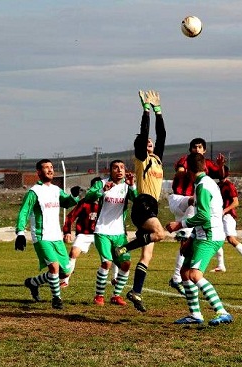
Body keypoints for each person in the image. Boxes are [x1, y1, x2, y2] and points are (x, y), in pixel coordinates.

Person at [166, 153, 233, 326]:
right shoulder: (206, 183)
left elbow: (203, 217)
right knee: (185, 273)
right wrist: (191, 238)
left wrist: (179, 225)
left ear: (187, 169)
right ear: (204, 167)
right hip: (201, 235)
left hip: (209, 236)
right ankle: (195, 314)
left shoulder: (202, 186)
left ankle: (222, 311)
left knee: (195, 274)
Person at [114, 90, 166, 312]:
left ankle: (136, 291)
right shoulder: (142, 158)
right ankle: (123, 248)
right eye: (146, 143)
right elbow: (146, 134)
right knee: (160, 234)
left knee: (148, 254)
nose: (150, 143)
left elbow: (161, 135)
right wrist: (145, 110)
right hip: (143, 203)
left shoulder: (157, 159)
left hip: (152, 205)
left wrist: (158, 110)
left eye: (151, 143)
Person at [14, 159, 80, 310]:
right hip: (41, 236)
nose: (50, 170)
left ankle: (33, 282)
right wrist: (20, 233)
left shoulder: (56, 189)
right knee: (54, 268)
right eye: (46, 168)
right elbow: (23, 212)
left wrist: (74, 197)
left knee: (65, 272)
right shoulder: (34, 192)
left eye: (51, 167)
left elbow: (66, 202)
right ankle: (56, 299)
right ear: (38, 172)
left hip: (56, 236)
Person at [168, 138, 225, 294]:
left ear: (204, 150)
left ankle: (177, 279)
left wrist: (220, 167)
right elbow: (180, 174)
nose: (197, 150)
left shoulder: (205, 175)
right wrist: (187, 172)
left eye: (200, 147)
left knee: (186, 243)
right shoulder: (187, 161)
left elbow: (221, 176)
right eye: (194, 147)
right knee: (189, 233)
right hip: (180, 198)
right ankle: (178, 278)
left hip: (192, 202)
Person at [84, 160, 137, 306]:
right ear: (110, 171)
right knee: (107, 262)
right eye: (115, 167)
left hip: (120, 234)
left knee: (126, 263)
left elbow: (137, 200)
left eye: (122, 167)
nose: (119, 170)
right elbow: (88, 198)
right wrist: (102, 191)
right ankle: (99, 296)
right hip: (102, 232)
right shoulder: (101, 183)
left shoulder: (127, 186)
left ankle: (116, 296)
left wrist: (132, 185)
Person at [211, 165, 242, 272]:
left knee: (230, 239)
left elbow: (236, 202)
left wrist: (224, 211)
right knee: (216, 238)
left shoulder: (229, 185)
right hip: (219, 216)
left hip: (228, 216)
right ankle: (221, 265)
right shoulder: (218, 185)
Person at [60, 176, 102, 288]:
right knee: (73, 253)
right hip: (84, 233)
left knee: (112, 254)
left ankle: (115, 277)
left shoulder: (106, 203)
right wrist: (67, 231)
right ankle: (65, 279)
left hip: (102, 234)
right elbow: (71, 216)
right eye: (95, 187)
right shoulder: (84, 203)